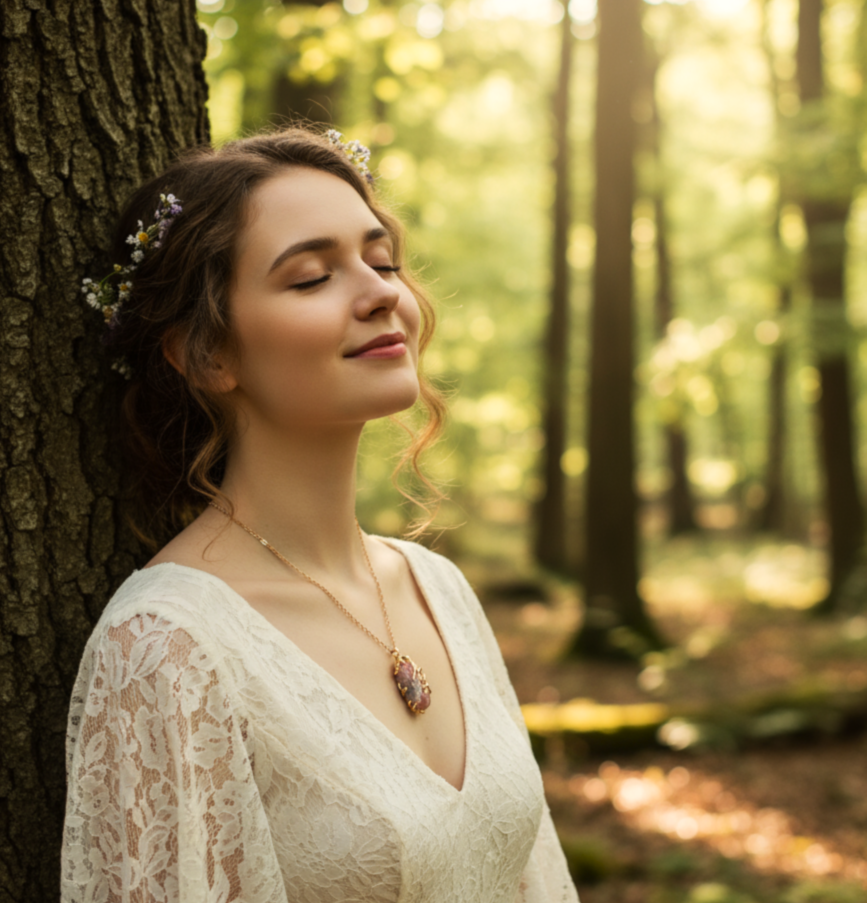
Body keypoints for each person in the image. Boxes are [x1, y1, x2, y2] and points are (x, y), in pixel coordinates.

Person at [62, 126, 579, 902]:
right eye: (310, 278)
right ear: (206, 355)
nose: (382, 294)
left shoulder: (436, 587)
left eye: (383, 261)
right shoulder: (169, 649)